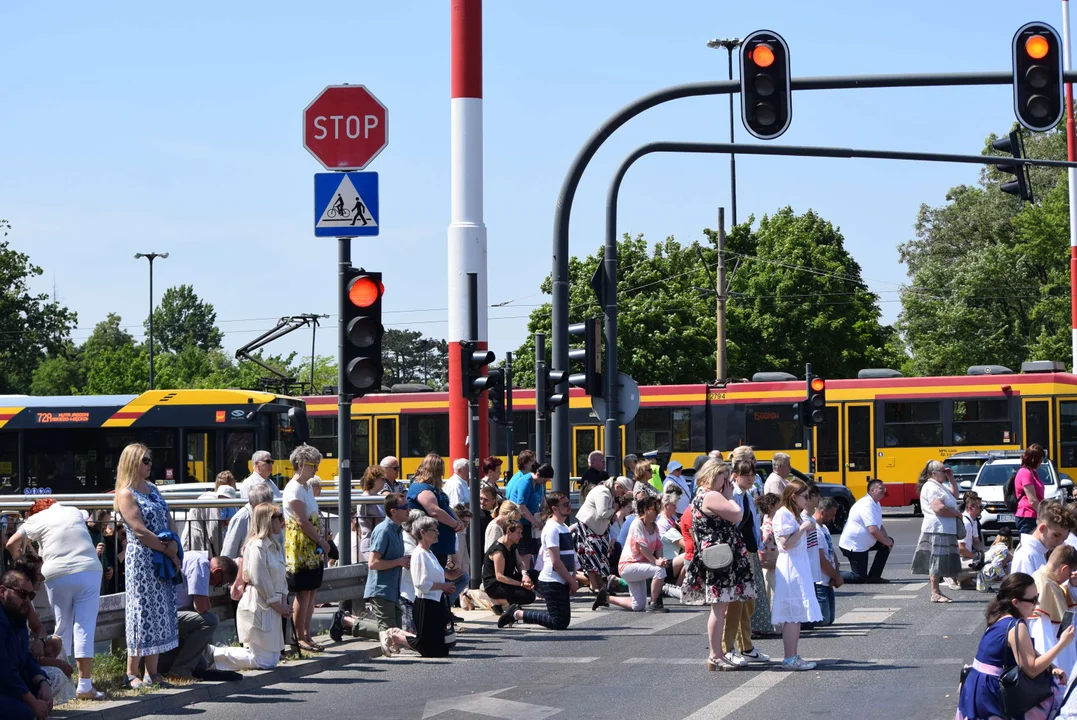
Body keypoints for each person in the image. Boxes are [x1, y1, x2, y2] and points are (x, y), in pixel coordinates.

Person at [5, 500, 103, 700]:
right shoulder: (74, 511)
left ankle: (66, 684)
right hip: (89, 567)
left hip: (56, 571)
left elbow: (11, 543)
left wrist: (22, 568)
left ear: (33, 512)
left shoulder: (35, 519)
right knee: (84, 625)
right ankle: (85, 684)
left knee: (63, 625)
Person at [956, 572, 1072, 720]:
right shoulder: (1017, 626)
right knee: (1055, 696)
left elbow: (1024, 649)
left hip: (977, 685)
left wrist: (1052, 667)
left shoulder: (998, 615)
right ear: (1015, 602)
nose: (1037, 604)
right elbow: (1031, 670)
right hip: (994, 692)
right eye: (1033, 600)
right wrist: (1062, 644)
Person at [115, 442, 181, 689]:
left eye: (150, 459)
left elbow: (168, 517)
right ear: (132, 462)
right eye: (145, 460)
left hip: (162, 555)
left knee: (160, 612)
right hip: (142, 560)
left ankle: (152, 673)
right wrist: (167, 549)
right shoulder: (126, 493)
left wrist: (174, 543)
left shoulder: (153, 488)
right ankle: (132, 671)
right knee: (142, 612)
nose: (149, 464)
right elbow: (139, 530)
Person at [681, 460, 756, 671]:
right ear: (715, 476)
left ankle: (717, 654)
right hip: (721, 558)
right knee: (719, 607)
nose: (728, 482)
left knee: (719, 607)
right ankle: (716, 654)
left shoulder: (699, 496)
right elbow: (736, 514)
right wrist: (730, 498)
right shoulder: (711, 495)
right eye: (725, 477)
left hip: (716, 556)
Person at [330, 494, 413, 655]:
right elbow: (373, 563)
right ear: (393, 511)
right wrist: (399, 562)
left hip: (392, 589)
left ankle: (348, 621)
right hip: (381, 589)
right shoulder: (383, 530)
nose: (408, 510)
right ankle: (347, 621)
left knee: (396, 632)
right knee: (391, 633)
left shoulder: (397, 530)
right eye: (404, 507)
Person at [210, 504, 291, 671]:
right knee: (264, 661)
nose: (283, 522)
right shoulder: (256, 546)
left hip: (272, 605)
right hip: (259, 604)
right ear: (269, 521)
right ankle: (212, 654)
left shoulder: (273, 545)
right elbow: (259, 578)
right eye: (279, 518)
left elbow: (281, 576)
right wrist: (277, 603)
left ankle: (214, 658)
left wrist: (283, 599)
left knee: (272, 658)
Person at [498, 491, 578, 631]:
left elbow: (570, 556)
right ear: (554, 508)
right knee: (558, 622)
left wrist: (572, 576)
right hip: (552, 580)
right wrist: (571, 581)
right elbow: (556, 561)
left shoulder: (563, 527)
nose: (569, 506)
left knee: (562, 621)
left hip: (561, 580)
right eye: (565, 504)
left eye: (569, 503)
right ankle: (517, 614)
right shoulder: (552, 528)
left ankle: (517, 613)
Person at [160, 551, 238, 680]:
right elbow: (201, 607)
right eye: (220, 584)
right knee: (210, 621)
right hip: (166, 615)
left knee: (201, 666)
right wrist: (206, 603)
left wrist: (205, 603)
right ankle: (178, 673)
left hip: (170, 614)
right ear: (217, 571)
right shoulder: (201, 565)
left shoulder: (199, 560)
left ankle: (168, 669)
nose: (215, 586)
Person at [283, 444, 329, 653]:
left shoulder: (307, 486)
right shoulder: (293, 488)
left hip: (311, 544)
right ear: (300, 465)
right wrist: (321, 540)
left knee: (311, 591)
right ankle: (299, 636)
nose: (316, 470)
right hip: (301, 545)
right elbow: (302, 521)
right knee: (303, 592)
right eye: (313, 465)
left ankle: (307, 634)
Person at [772, 479, 822, 670]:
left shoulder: (794, 514)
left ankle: (792, 655)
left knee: (797, 613)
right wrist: (802, 529)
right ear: (794, 496)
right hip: (791, 565)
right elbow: (785, 543)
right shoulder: (784, 514)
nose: (807, 500)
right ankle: (789, 657)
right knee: (792, 613)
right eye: (804, 496)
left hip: (798, 564)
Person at [596, 496, 670, 613]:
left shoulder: (654, 526)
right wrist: (656, 562)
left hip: (639, 566)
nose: (658, 511)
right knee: (659, 570)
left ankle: (606, 598)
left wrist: (661, 559)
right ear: (646, 510)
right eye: (655, 508)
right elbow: (641, 547)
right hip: (629, 566)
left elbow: (659, 546)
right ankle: (654, 603)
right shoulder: (637, 523)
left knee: (638, 606)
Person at [728, 459, 771, 658]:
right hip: (738, 552)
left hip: (750, 551)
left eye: (752, 474)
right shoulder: (732, 495)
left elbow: (754, 523)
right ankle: (740, 646)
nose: (750, 478)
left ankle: (746, 645)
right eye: (746, 474)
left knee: (750, 601)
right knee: (739, 602)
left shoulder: (748, 494)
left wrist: (759, 546)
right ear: (735, 475)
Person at [0, 569, 53, 720]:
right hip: (4, 683)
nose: (28, 601)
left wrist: (43, 682)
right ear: (2, 591)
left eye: (31, 595)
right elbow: (4, 670)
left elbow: (25, 658)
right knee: (24, 712)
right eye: (23, 594)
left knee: (44, 690)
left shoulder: (17, 615)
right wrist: (32, 702)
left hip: (9, 685)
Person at [912, 460, 963, 604]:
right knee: (936, 561)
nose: (945, 473)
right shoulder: (931, 487)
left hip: (943, 529)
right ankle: (935, 593)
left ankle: (937, 591)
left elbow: (955, 496)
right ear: (934, 473)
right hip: (937, 529)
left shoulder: (939, 485)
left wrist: (951, 478)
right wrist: (957, 514)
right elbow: (939, 509)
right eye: (943, 471)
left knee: (940, 561)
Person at [573, 476, 631, 594]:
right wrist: (613, 511)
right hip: (589, 527)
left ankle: (600, 585)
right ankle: (595, 586)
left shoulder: (607, 492)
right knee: (592, 556)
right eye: (622, 492)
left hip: (597, 528)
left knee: (600, 557)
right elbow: (602, 513)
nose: (621, 495)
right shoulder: (603, 492)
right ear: (618, 486)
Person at [407, 454, 465, 567]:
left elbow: (445, 507)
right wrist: (455, 524)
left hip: (440, 543)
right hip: (432, 544)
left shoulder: (433, 488)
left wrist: (459, 521)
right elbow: (435, 511)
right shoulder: (421, 488)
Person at [409, 516, 456, 657]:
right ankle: (396, 635)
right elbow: (421, 583)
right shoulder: (419, 554)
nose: (438, 533)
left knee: (441, 650)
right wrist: (443, 586)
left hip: (436, 601)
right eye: (434, 530)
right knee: (428, 649)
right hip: (425, 602)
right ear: (422, 532)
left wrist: (448, 583)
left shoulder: (430, 553)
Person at [1030, 545, 1077, 675]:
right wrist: (1051, 667)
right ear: (1064, 568)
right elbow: (1042, 634)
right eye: (1069, 574)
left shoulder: (1048, 580)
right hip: (1054, 661)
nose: (1068, 578)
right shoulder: (1046, 586)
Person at [838, 479, 893, 583]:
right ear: (872, 490)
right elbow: (872, 529)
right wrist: (885, 541)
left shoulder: (876, 504)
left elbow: (879, 526)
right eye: (881, 488)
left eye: (884, 488)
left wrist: (887, 540)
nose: (884, 491)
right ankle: (831, 574)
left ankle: (874, 576)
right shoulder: (866, 505)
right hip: (854, 546)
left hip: (864, 544)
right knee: (858, 577)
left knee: (887, 543)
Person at [482, 521, 535, 610]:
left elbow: (520, 564)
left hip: (507, 579)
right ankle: (497, 600)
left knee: (533, 574)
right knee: (529, 597)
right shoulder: (498, 550)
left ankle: (509, 600)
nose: (521, 536)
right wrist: (521, 584)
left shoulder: (512, 545)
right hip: (495, 585)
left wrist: (525, 575)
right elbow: (499, 576)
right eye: (518, 533)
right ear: (508, 532)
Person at [182, 472, 238, 554]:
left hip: (203, 545)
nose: (236, 483)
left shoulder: (217, 501)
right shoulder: (212, 502)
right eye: (234, 481)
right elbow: (214, 530)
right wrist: (222, 554)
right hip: (198, 546)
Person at [1012, 500, 1070, 577]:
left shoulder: (1039, 551)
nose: (1059, 542)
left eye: (1064, 539)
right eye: (1056, 535)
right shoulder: (1028, 555)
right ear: (1042, 528)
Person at [505, 451, 540, 571]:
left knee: (527, 553)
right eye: (532, 461)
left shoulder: (529, 478)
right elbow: (514, 502)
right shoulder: (521, 479)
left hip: (526, 521)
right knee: (524, 553)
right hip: (521, 521)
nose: (535, 463)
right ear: (525, 464)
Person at [221, 484, 275, 560]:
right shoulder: (241, 518)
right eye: (263, 507)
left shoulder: (273, 515)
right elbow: (228, 553)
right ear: (253, 504)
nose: (267, 510)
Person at [812, 498, 843, 626]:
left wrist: (835, 573)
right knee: (823, 620)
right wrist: (836, 576)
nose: (833, 518)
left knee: (829, 620)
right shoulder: (814, 529)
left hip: (827, 580)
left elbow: (831, 552)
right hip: (819, 582)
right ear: (823, 512)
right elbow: (820, 559)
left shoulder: (824, 527)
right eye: (831, 515)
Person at [948, 491, 986, 590]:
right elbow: (961, 549)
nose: (982, 510)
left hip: (964, 557)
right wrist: (976, 558)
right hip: (957, 559)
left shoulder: (973, 521)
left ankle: (965, 580)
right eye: (980, 507)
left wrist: (984, 553)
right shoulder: (966, 523)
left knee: (988, 560)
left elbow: (976, 542)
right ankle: (951, 575)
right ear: (970, 508)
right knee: (985, 566)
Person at [755, 492, 781, 633]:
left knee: (772, 594)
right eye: (779, 505)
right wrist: (764, 560)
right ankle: (773, 626)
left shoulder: (770, 523)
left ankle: (775, 626)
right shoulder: (768, 526)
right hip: (770, 564)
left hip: (773, 562)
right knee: (771, 595)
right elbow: (761, 545)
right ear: (771, 507)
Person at [1016, 443, 1048, 536]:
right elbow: (1033, 500)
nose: (1041, 462)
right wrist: (1045, 515)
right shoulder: (1025, 473)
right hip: (1027, 516)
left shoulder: (1032, 472)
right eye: (1040, 459)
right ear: (1034, 459)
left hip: (1033, 515)